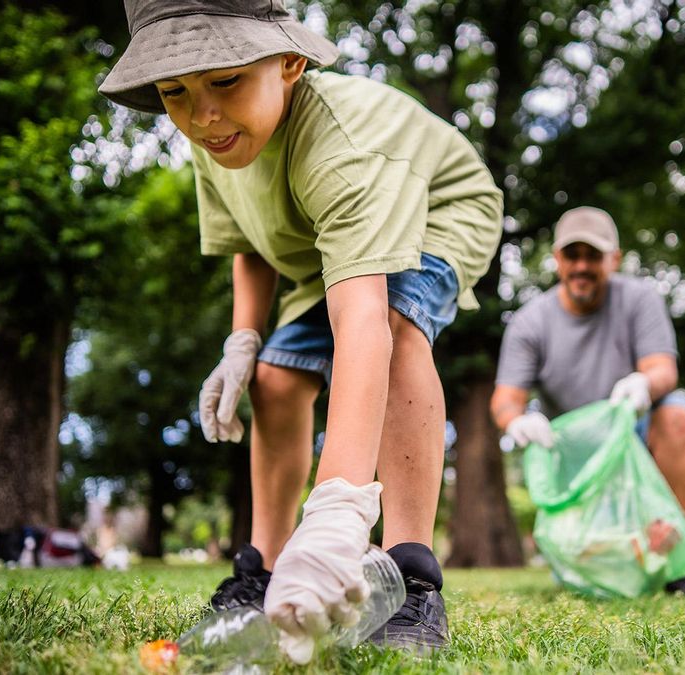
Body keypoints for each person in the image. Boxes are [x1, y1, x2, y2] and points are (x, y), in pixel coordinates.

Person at [97, 0, 502, 660]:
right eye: (176, 92)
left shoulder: (341, 146)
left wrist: (338, 508)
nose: (203, 113)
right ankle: (265, 568)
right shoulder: (214, 138)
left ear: (290, 62)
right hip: (322, 245)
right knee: (278, 380)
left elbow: (362, 323)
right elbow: (248, 243)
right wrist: (242, 343)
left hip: (438, 210)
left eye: (225, 80)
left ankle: (412, 576)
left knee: (397, 330)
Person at [489, 206, 685, 600]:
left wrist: (643, 384)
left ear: (614, 259)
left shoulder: (639, 299)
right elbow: (505, 400)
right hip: (570, 447)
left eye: (593, 255)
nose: (581, 266)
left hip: (632, 428)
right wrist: (517, 423)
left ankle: (675, 569)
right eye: (572, 255)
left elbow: (664, 369)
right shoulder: (530, 322)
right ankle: (584, 568)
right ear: (557, 259)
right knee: (587, 565)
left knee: (680, 415)